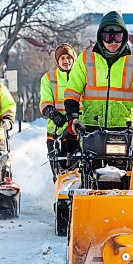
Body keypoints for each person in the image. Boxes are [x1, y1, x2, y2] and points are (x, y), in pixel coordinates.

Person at [64, 11, 133, 136]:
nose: (113, 42)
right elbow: (72, 91)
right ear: (100, 37)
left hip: (125, 130)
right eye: (108, 37)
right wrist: (73, 118)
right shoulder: (85, 58)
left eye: (117, 37)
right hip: (89, 129)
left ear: (124, 36)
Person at [40, 43, 78, 180]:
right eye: (62, 58)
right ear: (57, 61)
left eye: (69, 57)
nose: (66, 61)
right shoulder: (48, 78)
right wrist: (54, 115)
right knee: (59, 172)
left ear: (74, 59)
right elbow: (45, 103)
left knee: (79, 170)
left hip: (77, 130)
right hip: (56, 131)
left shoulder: (81, 76)